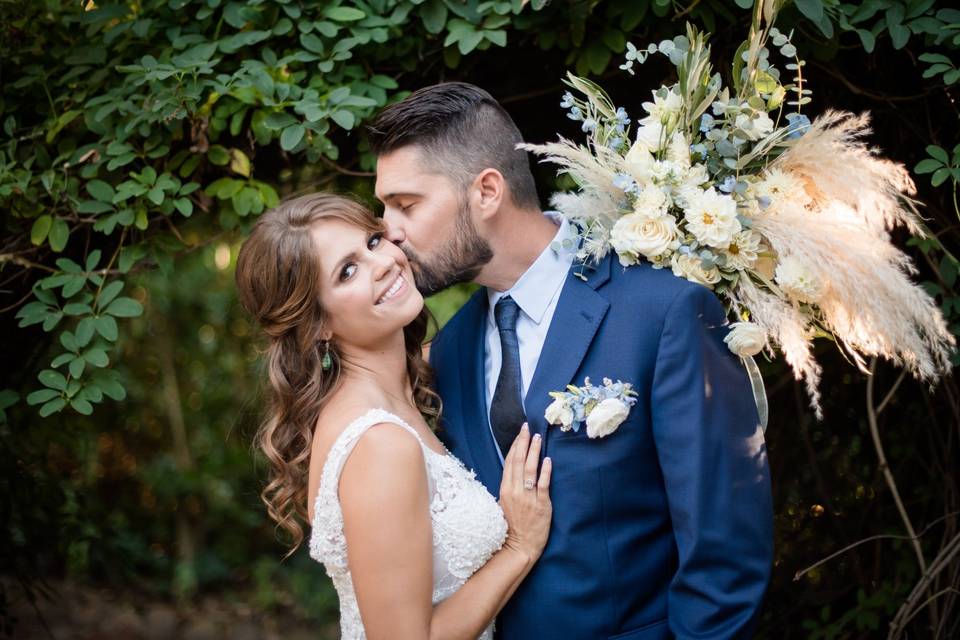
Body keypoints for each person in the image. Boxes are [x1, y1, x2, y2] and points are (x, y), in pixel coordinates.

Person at [369, 82, 774, 639]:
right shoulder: (449, 350)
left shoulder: (662, 312)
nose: (388, 231)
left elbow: (724, 555)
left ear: (486, 191)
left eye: (405, 205)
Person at [235, 193, 553, 640]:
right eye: (347, 271)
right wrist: (519, 547)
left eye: (372, 241)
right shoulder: (378, 444)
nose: (382, 263)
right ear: (317, 325)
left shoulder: (409, 388)